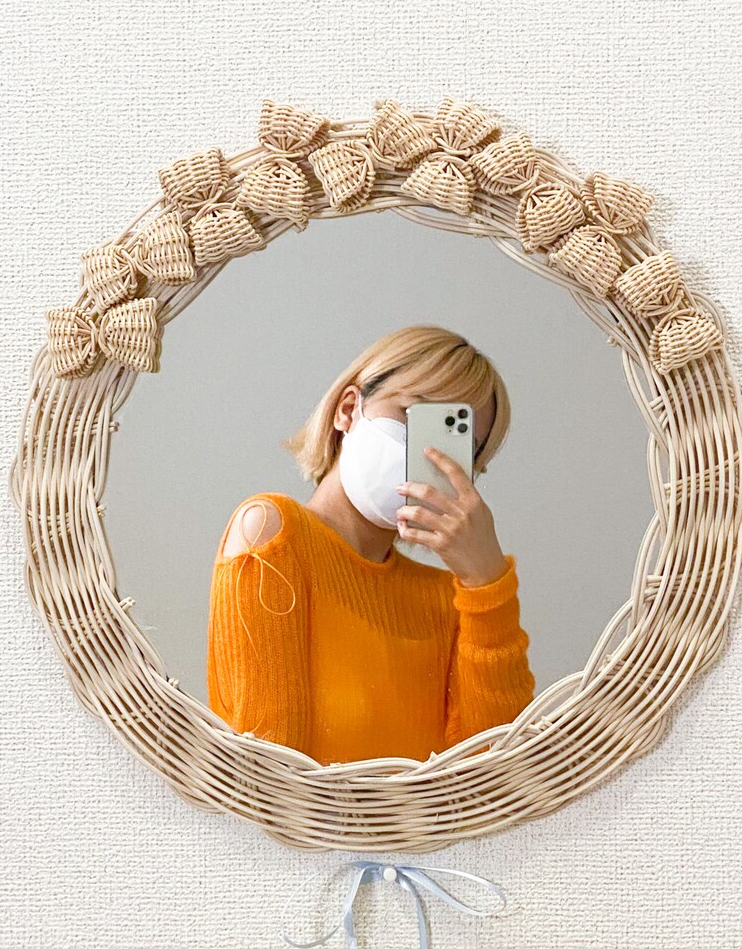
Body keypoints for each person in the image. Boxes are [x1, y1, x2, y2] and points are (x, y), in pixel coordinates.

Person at [205, 324, 535, 764]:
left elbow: (494, 775)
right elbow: (271, 777)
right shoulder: (272, 535)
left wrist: (487, 584)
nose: (428, 454)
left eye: (456, 444)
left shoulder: (449, 602)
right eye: (414, 417)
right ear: (348, 410)